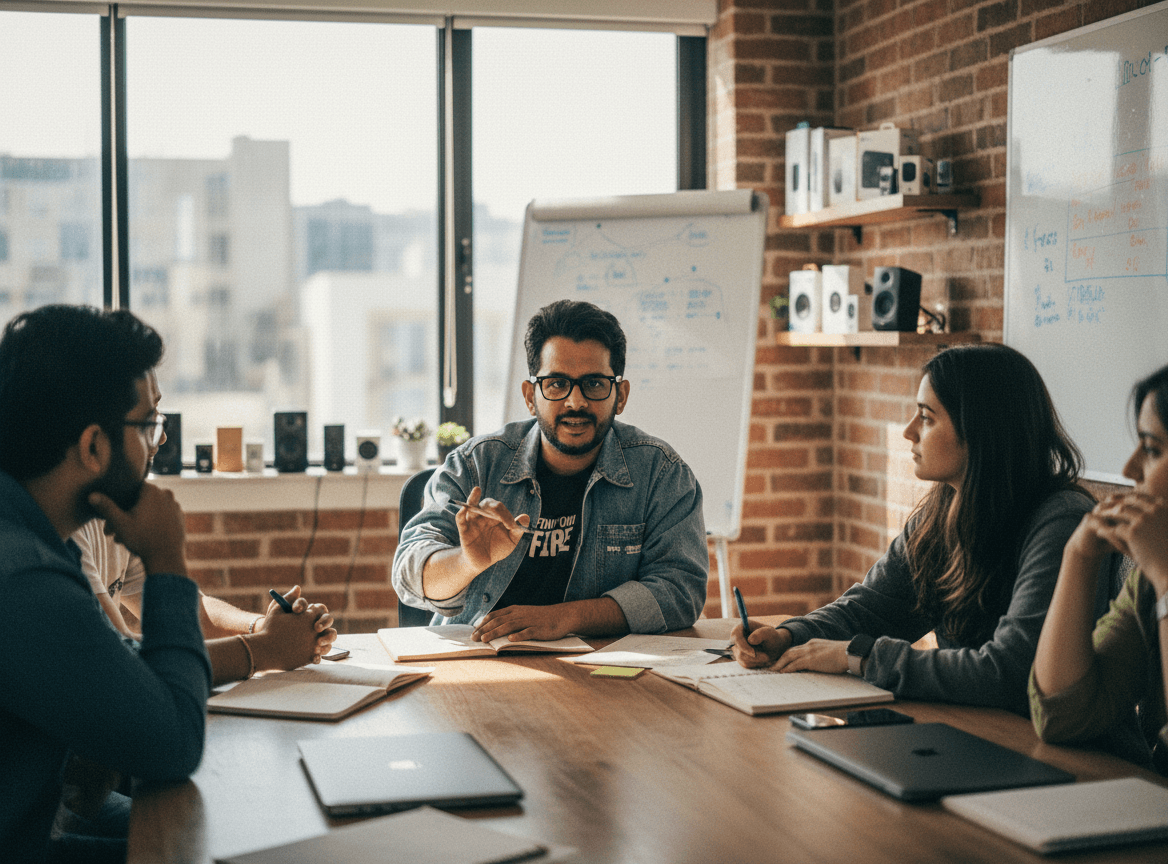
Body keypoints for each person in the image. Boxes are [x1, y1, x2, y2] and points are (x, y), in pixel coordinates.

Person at [730, 343, 1108, 715]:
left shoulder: (1061, 522)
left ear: (980, 429)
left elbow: (1008, 672)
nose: (909, 431)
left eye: (926, 417)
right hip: (977, 731)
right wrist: (790, 636)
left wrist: (859, 656)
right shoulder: (943, 510)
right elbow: (873, 609)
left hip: (1070, 757)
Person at [0, 305, 207, 863]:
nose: (157, 443)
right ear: (93, 446)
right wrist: (166, 558)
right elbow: (174, 744)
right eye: (148, 425)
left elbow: (109, 665)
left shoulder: (33, 535)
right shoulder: (24, 579)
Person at [393, 299, 708, 641]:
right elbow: (410, 573)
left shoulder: (662, 474)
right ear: (531, 396)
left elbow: (681, 591)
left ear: (620, 395)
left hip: (602, 671)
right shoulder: (475, 464)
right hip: (479, 659)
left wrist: (565, 619)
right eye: (557, 383)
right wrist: (467, 562)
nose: (576, 402)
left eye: (595, 384)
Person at [72, 398, 338, 686]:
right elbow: (124, 667)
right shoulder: (62, 535)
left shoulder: (113, 509)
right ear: (93, 440)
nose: (162, 436)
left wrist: (263, 629)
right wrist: (267, 649)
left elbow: (195, 617)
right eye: (149, 420)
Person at [1030, 358, 1168, 780]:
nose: (1129, 471)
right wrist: (1078, 557)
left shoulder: (1166, 574)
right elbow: (1061, 715)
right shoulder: (1152, 578)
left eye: (1152, 449)